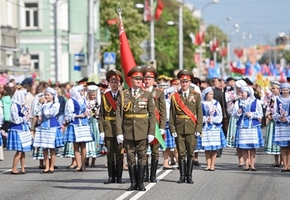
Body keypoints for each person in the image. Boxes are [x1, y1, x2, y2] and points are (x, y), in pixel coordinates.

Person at [115, 66, 156, 191]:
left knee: (142, 156)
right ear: (130, 80)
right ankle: (133, 183)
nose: (139, 81)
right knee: (130, 156)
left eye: (140, 79)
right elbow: (119, 114)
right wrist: (119, 132)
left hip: (142, 130)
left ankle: (141, 183)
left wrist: (151, 132)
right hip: (128, 130)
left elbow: (152, 114)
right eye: (136, 79)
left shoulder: (147, 95)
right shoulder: (123, 95)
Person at [169, 69, 203, 184]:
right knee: (181, 153)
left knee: (191, 153)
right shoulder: (175, 96)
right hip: (179, 128)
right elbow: (172, 114)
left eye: (186, 82)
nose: (184, 84)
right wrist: (172, 128)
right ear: (180, 82)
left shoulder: (196, 96)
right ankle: (182, 176)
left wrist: (198, 129)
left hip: (191, 128)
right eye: (182, 82)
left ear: (190, 83)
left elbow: (199, 114)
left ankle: (189, 176)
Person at [99, 69, 125, 184]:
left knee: (119, 153)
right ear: (109, 83)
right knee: (110, 154)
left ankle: (119, 177)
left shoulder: (123, 96)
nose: (114, 84)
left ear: (119, 83)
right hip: (108, 127)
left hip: (120, 129)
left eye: (116, 82)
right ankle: (111, 177)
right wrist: (101, 130)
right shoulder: (105, 96)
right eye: (112, 82)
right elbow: (101, 115)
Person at [143, 66, 166, 182]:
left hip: (155, 126)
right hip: (142, 126)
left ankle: (153, 175)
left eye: (149, 78)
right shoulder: (139, 92)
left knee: (155, 152)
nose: (147, 81)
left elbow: (163, 111)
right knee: (143, 152)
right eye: (145, 79)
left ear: (154, 80)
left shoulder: (159, 93)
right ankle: (144, 175)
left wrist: (162, 127)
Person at [232, 86, 264, 171]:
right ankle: (246, 165)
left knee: (252, 147)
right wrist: (238, 112)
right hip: (242, 126)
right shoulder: (238, 102)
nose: (241, 94)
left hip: (252, 126)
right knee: (244, 146)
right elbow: (234, 115)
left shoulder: (255, 101)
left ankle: (252, 165)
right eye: (240, 92)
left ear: (248, 93)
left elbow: (260, 114)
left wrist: (252, 114)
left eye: (243, 92)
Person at [63, 84, 94, 172]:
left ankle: (83, 165)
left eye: (83, 91)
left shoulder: (84, 100)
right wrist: (78, 115)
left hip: (83, 124)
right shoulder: (70, 101)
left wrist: (87, 113)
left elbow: (87, 110)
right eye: (81, 91)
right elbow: (68, 114)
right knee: (76, 146)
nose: (83, 92)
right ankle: (78, 164)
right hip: (75, 124)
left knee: (83, 146)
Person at [33, 87, 64, 174]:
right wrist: (40, 104)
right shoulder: (44, 104)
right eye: (45, 95)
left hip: (52, 127)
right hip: (43, 127)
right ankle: (46, 167)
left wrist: (44, 104)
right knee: (44, 148)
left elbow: (48, 114)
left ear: (53, 96)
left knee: (52, 148)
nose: (46, 96)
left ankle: (51, 167)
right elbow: (38, 113)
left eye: (48, 95)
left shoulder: (55, 104)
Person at [196, 87, 226, 171]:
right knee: (207, 147)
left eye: (212, 94)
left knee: (214, 147)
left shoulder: (216, 103)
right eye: (210, 94)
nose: (212, 95)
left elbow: (220, 116)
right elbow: (198, 115)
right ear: (206, 95)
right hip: (205, 127)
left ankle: (212, 165)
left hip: (214, 128)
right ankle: (208, 165)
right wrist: (206, 119)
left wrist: (212, 119)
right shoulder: (201, 104)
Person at [6, 86, 32, 174]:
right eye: (24, 96)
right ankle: (14, 168)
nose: (25, 98)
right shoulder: (14, 105)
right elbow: (15, 119)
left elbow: (26, 117)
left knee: (23, 150)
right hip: (17, 129)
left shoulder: (22, 105)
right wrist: (24, 118)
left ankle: (23, 168)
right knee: (19, 150)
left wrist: (26, 115)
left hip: (23, 128)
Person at [272, 83, 290, 172]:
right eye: (284, 90)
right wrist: (279, 117)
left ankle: (288, 165)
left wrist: (287, 118)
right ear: (281, 90)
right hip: (281, 125)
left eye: (287, 90)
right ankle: (284, 166)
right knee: (283, 147)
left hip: (289, 124)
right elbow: (274, 112)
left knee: (289, 146)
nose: (285, 91)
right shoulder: (277, 99)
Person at [264, 81, 281, 167]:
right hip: (272, 122)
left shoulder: (282, 98)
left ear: (278, 89)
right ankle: (276, 161)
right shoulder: (271, 98)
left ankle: (283, 161)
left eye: (274, 88)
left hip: (280, 122)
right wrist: (268, 115)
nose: (272, 89)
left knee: (281, 141)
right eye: (272, 88)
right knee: (274, 140)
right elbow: (268, 108)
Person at [85, 83, 101, 168]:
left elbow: (99, 113)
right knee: (87, 142)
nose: (93, 96)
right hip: (88, 123)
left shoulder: (97, 103)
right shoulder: (86, 102)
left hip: (94, 123)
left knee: (95, 140)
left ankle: (93, 161)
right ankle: (86, 158)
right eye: (91, 95)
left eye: (94, 95)